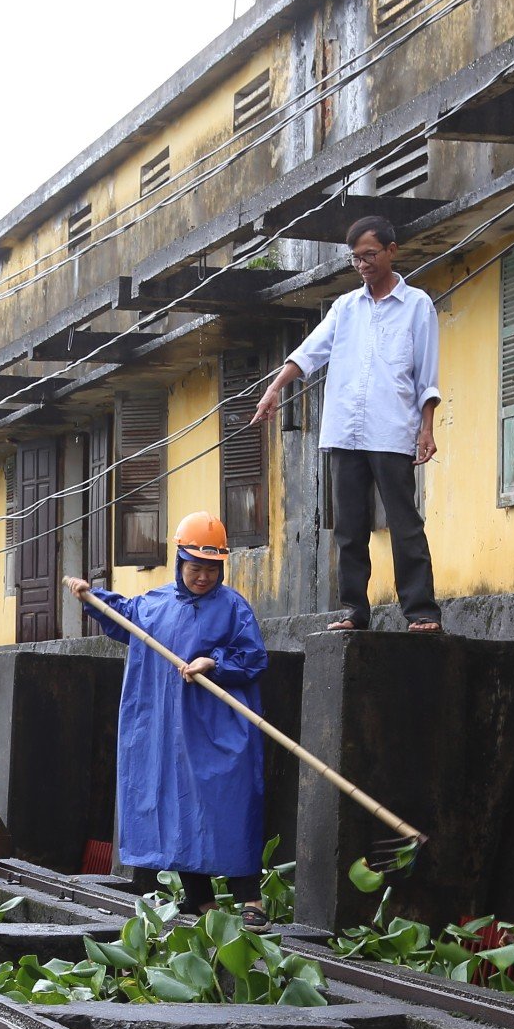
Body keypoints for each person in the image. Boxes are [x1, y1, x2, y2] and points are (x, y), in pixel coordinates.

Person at [64, 512, 272, 925]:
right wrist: (92, 596)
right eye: (196, 568)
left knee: (230, 806)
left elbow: (253, 657)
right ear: (180, 563)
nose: (203, 577)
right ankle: (201, 901)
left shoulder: (233, 607)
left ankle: (252, 902)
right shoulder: (155, 604)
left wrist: (214, 662)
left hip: (217, 728)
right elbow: (123, 615)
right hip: (167, 730)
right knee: (176, 812)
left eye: (212, 569)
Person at [250, 215, 443, 631]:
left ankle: (422, 611)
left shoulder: (417, 306)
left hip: (392, 432)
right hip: (344, 433)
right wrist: (273, 390)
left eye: (370, 255)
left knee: (405, 523)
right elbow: (308, 353)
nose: (363, 265)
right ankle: (355, 611)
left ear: (392, 251)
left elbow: (427, 378)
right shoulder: (345, 308)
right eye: (356, 258)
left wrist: (426, 429)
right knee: (349, 529)